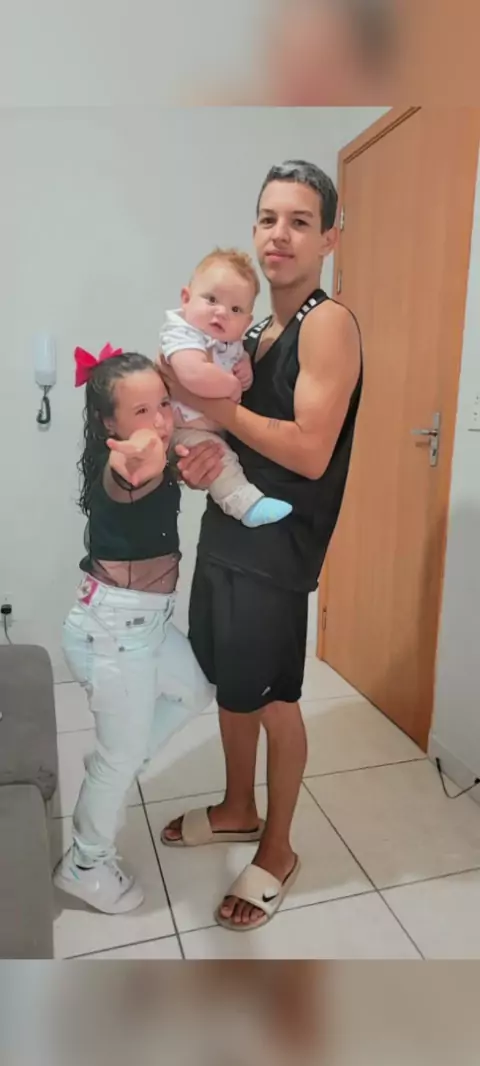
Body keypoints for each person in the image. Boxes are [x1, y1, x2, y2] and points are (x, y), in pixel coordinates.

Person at [161, 160, 363, 931]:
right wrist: (198, 459)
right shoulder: (249, 328)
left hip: (277, 550)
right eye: (269, 218)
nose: (280, 234)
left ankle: (277, 849)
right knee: (232, 684)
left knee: (275, 696)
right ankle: (238, 807)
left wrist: (207, 404)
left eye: (300, 221)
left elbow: (309, 452)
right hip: (228, 534)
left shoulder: (328, 322)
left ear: (329, 238)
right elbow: (229, 440)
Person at [53, 346, 222, 915]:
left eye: (164, 405)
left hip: (145, 625)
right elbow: (128, 476)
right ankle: (84, 864)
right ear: (110, 425)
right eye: (142, 411)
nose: (160, 422)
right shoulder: (121, 465)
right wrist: (142, 460)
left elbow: (181, 441)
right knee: (120, 754)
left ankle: (114, 765)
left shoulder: (166, 446)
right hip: (112, 631)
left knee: (195, 690)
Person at [159, 247, 292, 527]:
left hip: (203, 425)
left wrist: (244, 369)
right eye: (211, 299)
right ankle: (245, 505)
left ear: (246, 322)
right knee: (220, 456)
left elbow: (235, 360)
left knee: (217, 453)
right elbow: (192, 374)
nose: (221, 312)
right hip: (180, 426)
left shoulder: (230, 343)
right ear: (186, 299)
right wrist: (231, 384)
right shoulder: (183, 333)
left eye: (235, 310)